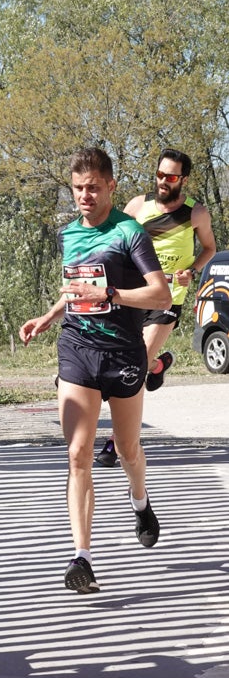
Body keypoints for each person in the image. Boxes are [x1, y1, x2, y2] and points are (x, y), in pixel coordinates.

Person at [19, 147, 171, 594]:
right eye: (78, 188)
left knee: (127, 450)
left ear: (110, 186)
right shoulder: (69, 234)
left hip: (123, 353)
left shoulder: (129, 233)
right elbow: (75, 289)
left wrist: (113, 297)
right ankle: (82, 558)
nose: (85, 196)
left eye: (93, 188)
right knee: (78, 453)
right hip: (77, 349)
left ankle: (139, 500)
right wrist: (48, 317)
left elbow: (160, 294)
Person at [95, 147, 216, 467]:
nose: (163, 181)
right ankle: (158, 365)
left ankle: (115, 444)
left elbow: (209, 248)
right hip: (134, 296)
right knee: (125, 361)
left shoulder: (196, 213)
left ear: (183, 179)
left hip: (168, 299)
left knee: (133, 368)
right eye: (160, 174)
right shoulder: (138, 205)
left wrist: (192, 270)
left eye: (171, 176)